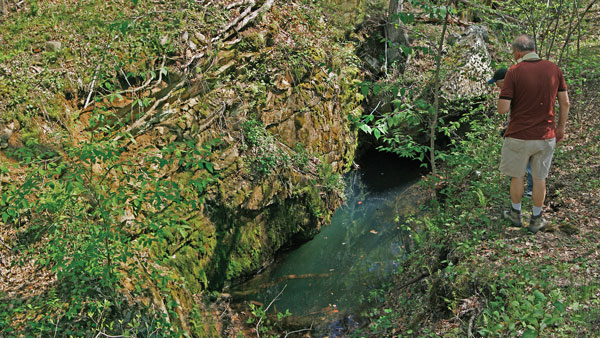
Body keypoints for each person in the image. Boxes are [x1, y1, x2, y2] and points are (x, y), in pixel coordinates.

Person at [497, 34, 570, 233]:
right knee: (540, 178)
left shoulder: (514, 71)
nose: (514, 56)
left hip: (519, 136)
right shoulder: (554, 69)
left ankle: (516, 214)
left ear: (519, 52)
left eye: (514, 53)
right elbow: (565, 102)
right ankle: (537, 219)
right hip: (546, 135)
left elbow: (503, 109)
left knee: (517, 176)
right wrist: (561, 128)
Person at [488, 67, 533, 197]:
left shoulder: (515, 90)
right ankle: (516, 184)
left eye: (497, 83)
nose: (497, 87)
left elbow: (520, 112)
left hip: (525, 130)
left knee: (528, 158)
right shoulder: (519, 86)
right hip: (520, 128)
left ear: (503, 81)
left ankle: (530, 189)